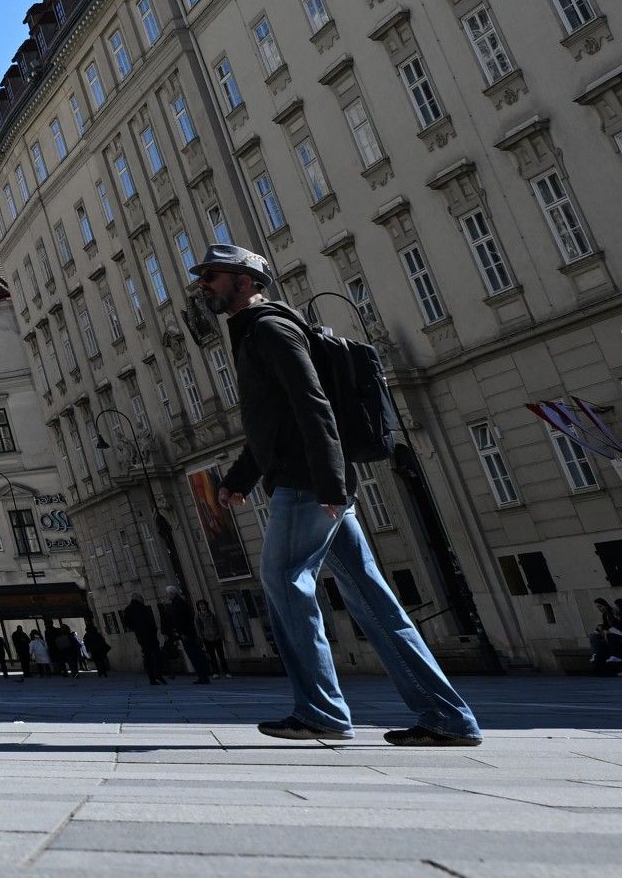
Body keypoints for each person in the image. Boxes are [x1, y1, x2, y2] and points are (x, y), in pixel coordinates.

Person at [192, 241, 481, 747]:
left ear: (246, 281)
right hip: (309, 478)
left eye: (213, 276)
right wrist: (240, 478)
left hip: (308, 482)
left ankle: (321, 711)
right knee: (372, 599)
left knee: (283, 578)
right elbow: (272, 421)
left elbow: (312, 405)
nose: (203, 285)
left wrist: (330, 482)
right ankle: (447, 717)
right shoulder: (255, 333)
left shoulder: (271, 329)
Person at [121, 594, 167, 685]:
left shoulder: (128, 609)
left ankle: (152, 678)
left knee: (147, 656)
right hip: (150, 634)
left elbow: (126, 623)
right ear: (138, 598)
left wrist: (136, 628)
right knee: (156, 655)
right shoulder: (142, 607)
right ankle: (159, 674)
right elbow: (150, 621)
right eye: (141, 598)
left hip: (141, 636)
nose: (143, 600)